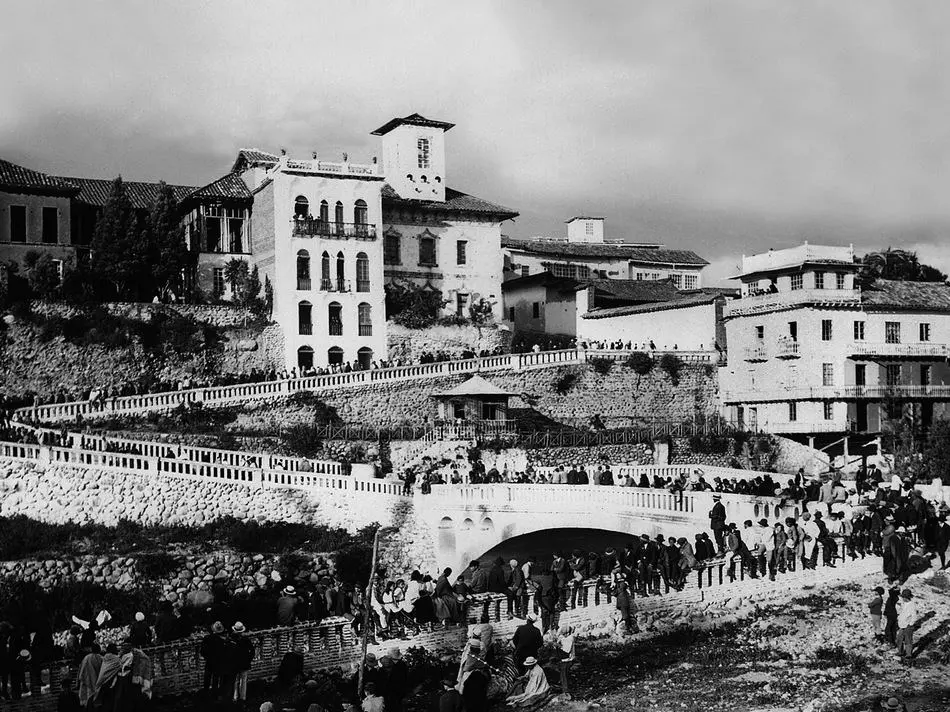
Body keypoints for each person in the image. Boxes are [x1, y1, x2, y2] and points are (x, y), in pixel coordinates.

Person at [224, 621, 255, 702]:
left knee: (235, 681)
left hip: (234, 663)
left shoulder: (230, 639)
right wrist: (249, 659)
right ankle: (242, 698)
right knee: (243, 681)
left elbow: (227, 652)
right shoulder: (245, 639)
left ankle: (235, 697)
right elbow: (252, 651)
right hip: (244, 663)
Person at [895, 588, 917, 662]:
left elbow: (914, 616)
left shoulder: (912, 605)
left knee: (908, 640)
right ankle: (900, 652)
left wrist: (910, 624)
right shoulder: (904, 604)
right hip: (902, 625)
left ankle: (908, 654)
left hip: (908, 626)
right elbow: (901, 612)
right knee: (899, 639)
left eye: (903, 597)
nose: (902, 598)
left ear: (906, 597)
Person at [556, 625, 576, 698]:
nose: (563, 635)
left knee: (564, 677)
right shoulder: (566, 638)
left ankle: (566, 692)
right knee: (564, 676)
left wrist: (558, 645)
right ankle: (565, 690)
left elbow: (566, 651)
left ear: (567, 633)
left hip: (567, 660)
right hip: (565, 660)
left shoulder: (569, 639)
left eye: (564, 634)